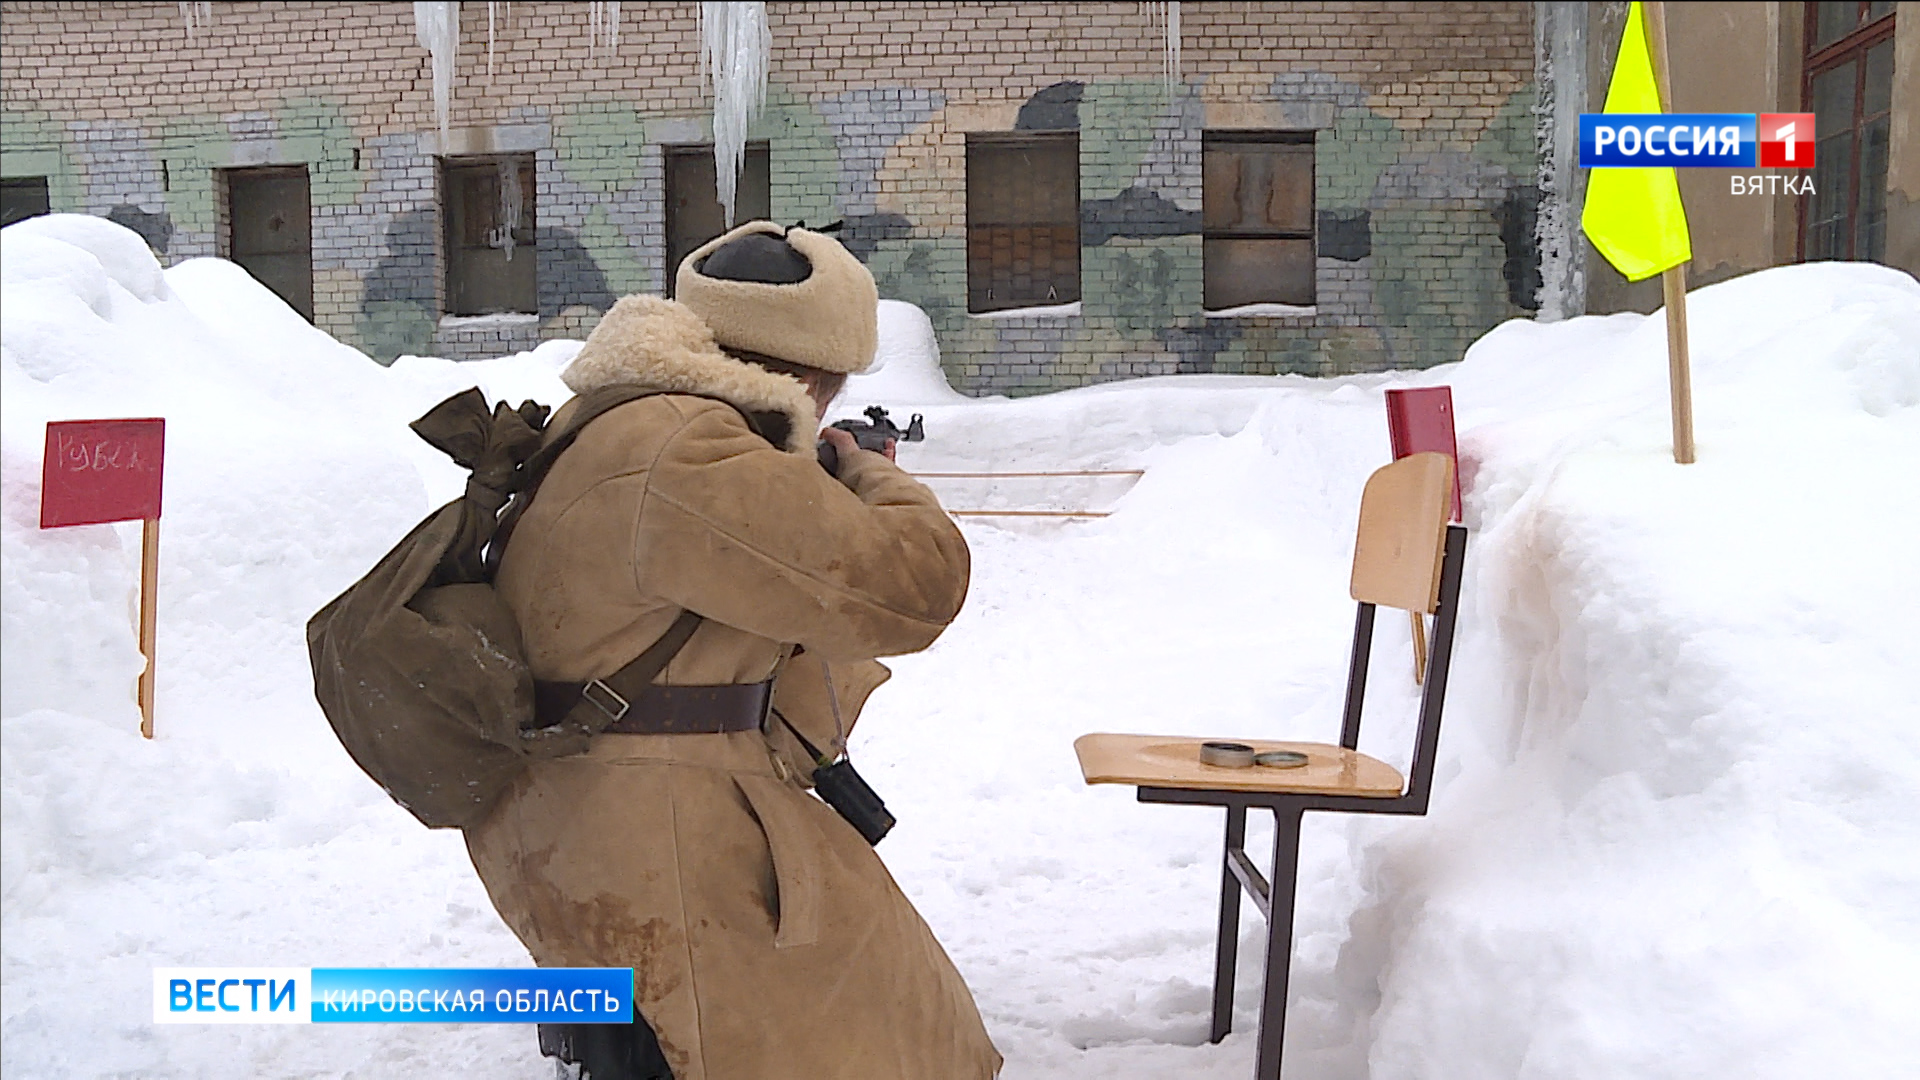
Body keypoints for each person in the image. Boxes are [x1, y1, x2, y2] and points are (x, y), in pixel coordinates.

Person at [463, 221, 1002, 1080]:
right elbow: (915, 589)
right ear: (801, 375)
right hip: (645, 833)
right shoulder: (687, 449)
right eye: (828, 390)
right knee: (882, 1017)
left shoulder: (624, 418)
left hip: (597, 812)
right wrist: (865, 471)